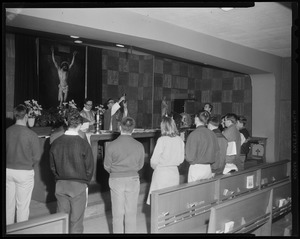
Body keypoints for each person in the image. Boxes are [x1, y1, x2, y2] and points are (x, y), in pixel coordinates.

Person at [49, 108, 94, 233]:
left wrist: (59, 179)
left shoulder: (56, 142)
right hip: (78, 186)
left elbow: (52, 167)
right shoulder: (83, 143)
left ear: (66, 122)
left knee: (61, 220)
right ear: (79, 125)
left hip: (61, 185)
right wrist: (85, 182)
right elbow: (90, 167)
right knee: (76, 222)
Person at [104, 117, 145, 233]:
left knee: (117, 214)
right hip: (133, 179)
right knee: (131, 213)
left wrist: (116, 172)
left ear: (120, 127)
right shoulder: (139, 145)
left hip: (116, 180)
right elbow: (140, 165)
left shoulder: (111, 145)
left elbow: (107, 165)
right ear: (133, 129)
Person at [6, 104, 41, 225]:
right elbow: (37, 157)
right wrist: (29, 165)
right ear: (26, 116)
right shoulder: (31, 134)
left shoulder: (7, 131)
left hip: (7, 171)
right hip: (24, 171)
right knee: (22, 207)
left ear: (15, 116)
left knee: (8, 205)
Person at [146, 116, 185, 205]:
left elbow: (154, 160)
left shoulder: (162, 140)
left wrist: (156, 167)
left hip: (161, 173)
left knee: (159, 202)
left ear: (163, 127)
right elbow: (181, 159)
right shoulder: (179, 140)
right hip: (174, 173)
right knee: (171, 202)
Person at [185, 110, 220, 182]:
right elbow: (217, 153)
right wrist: (214, 169)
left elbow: (190, 157)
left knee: (193, 192)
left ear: (197, 119)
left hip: (196, 168)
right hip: (208, 169)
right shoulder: (212, 134)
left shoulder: (194, 134)